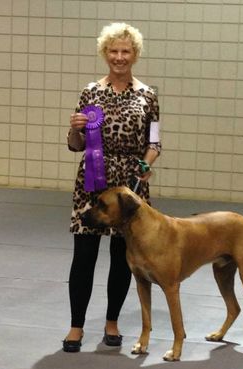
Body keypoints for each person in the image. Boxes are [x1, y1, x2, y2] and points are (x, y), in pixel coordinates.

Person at [63, 22, 161, 352]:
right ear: (105, 54)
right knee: (84, 256)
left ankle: (112, 322)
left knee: (123, 257)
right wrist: (75, 128)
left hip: (130, 187)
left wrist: (146, 165)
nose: (119, 57)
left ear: (135, 55)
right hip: (92, 182)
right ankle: (76, 326)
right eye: (114, 51)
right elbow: (76, 144)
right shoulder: (90, 92)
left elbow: (155, 143)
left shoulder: (148, 95)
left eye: (126, 51)